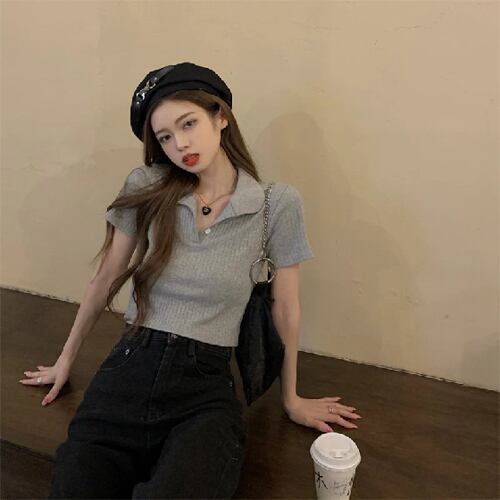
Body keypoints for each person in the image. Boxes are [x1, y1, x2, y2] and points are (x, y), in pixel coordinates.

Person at [20, 62, 362, 498]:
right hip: (129, 368)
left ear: (220, 117)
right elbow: (105, 277)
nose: (180, 144)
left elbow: (286, 308)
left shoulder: (275, 204)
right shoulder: (148, 185)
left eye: (188, 124)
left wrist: (291, 397)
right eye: (164, 137)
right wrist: (65, 360)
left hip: (204, 388)